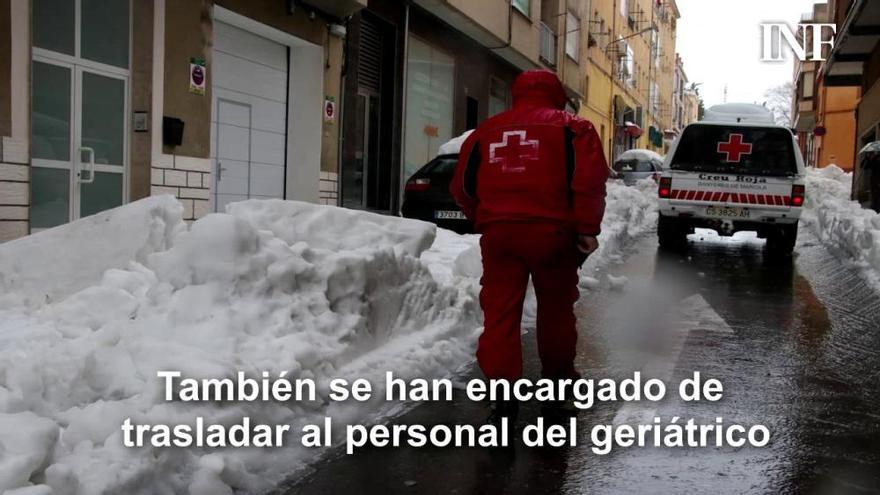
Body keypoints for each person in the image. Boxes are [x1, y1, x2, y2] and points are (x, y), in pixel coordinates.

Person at [450, 70, 609, 422]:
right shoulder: (574, 128)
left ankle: (502, 395)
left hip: (500, 236)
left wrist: (486, 217)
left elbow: (462, 186)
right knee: (556, 312)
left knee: (500, 313)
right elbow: (590, 182)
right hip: (553, 234)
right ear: (556, 94)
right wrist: (586, 228)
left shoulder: (484, 132)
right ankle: (557, 391)